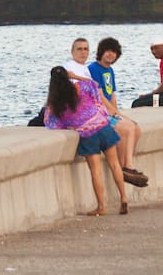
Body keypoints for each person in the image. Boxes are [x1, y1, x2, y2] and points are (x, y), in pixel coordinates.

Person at [42, 65, 130, 216]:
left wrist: (70, 125)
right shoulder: (82, 87)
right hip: (103, 127)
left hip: (88, 135)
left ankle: (101, 207)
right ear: (67, 75)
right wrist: (76, 77)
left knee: (96, 171)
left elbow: (50, 122)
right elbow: (94, 84)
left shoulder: (55, 103)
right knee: (115, 165)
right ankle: (123, 198)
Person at [84, 38, 148, 186]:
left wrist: (118, 112)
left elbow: (111, 95)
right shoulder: (93, 69)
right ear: (101, 52)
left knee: (136, 128)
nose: (110, 55)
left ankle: (125, 167)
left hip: (109, 111)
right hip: (98, 113)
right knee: (128, 127)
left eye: (114, 52)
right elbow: (100, 96)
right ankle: (127, 167)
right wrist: (114, 114)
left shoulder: (109, 71)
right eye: (108, 51)